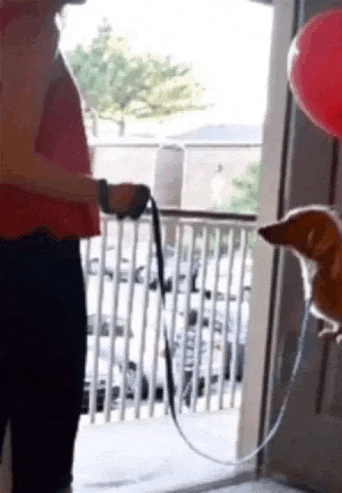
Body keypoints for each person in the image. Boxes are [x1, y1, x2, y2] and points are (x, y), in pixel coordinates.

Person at [0, 1, 150, 491]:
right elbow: (11, 160)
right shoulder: (29, 22)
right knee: (45, 443)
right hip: (29, 260)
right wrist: (105, 193)